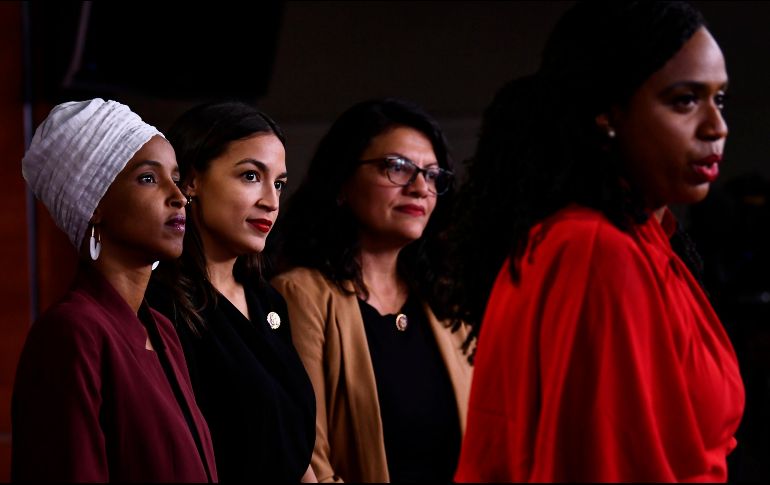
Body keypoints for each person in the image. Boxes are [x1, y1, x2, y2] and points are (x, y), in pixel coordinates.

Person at [448, 1, 744, 482]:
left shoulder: (634, 239)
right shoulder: (595, 251)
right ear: (609, 112)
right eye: (685, 100)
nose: (717, 127)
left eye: (720, 99)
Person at [12, 98, 217, 482]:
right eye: (148, 178)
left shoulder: (163, 331)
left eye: (175, 178)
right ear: (93, 202)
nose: (178, 196)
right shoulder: (72, 333)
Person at [270, 97, 473, 483]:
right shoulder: (300, 295)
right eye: (396, 167)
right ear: (342, 183)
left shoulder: (447, 306)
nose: (419, 188)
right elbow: (307, 461)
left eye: (432, 175)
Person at [146, 101, 316, 483]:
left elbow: (294, 452)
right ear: (191, 181)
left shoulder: (268, 299)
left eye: (278, 183)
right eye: (251, 176)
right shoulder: (159, 304)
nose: (271, 202)